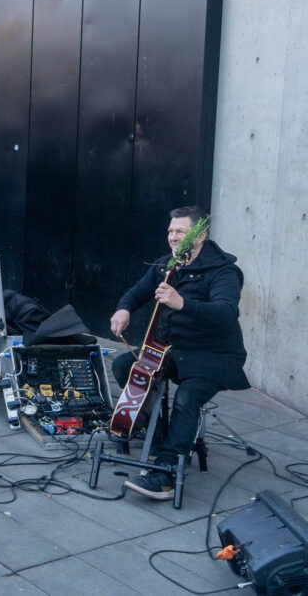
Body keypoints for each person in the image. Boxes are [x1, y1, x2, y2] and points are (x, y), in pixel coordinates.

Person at [109, 206, 249, 500]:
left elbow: (225, 313)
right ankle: (161, 436)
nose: (173, 237)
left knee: (187, 398)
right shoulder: (166, 265)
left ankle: (166, 473)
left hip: (214, 356)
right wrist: (123, 309)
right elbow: (136, 293)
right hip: (173, 351)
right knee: (125, 367)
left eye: (180, 231)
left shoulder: (224, 271)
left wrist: (182, 302)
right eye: (171, 230)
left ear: (201, 235)